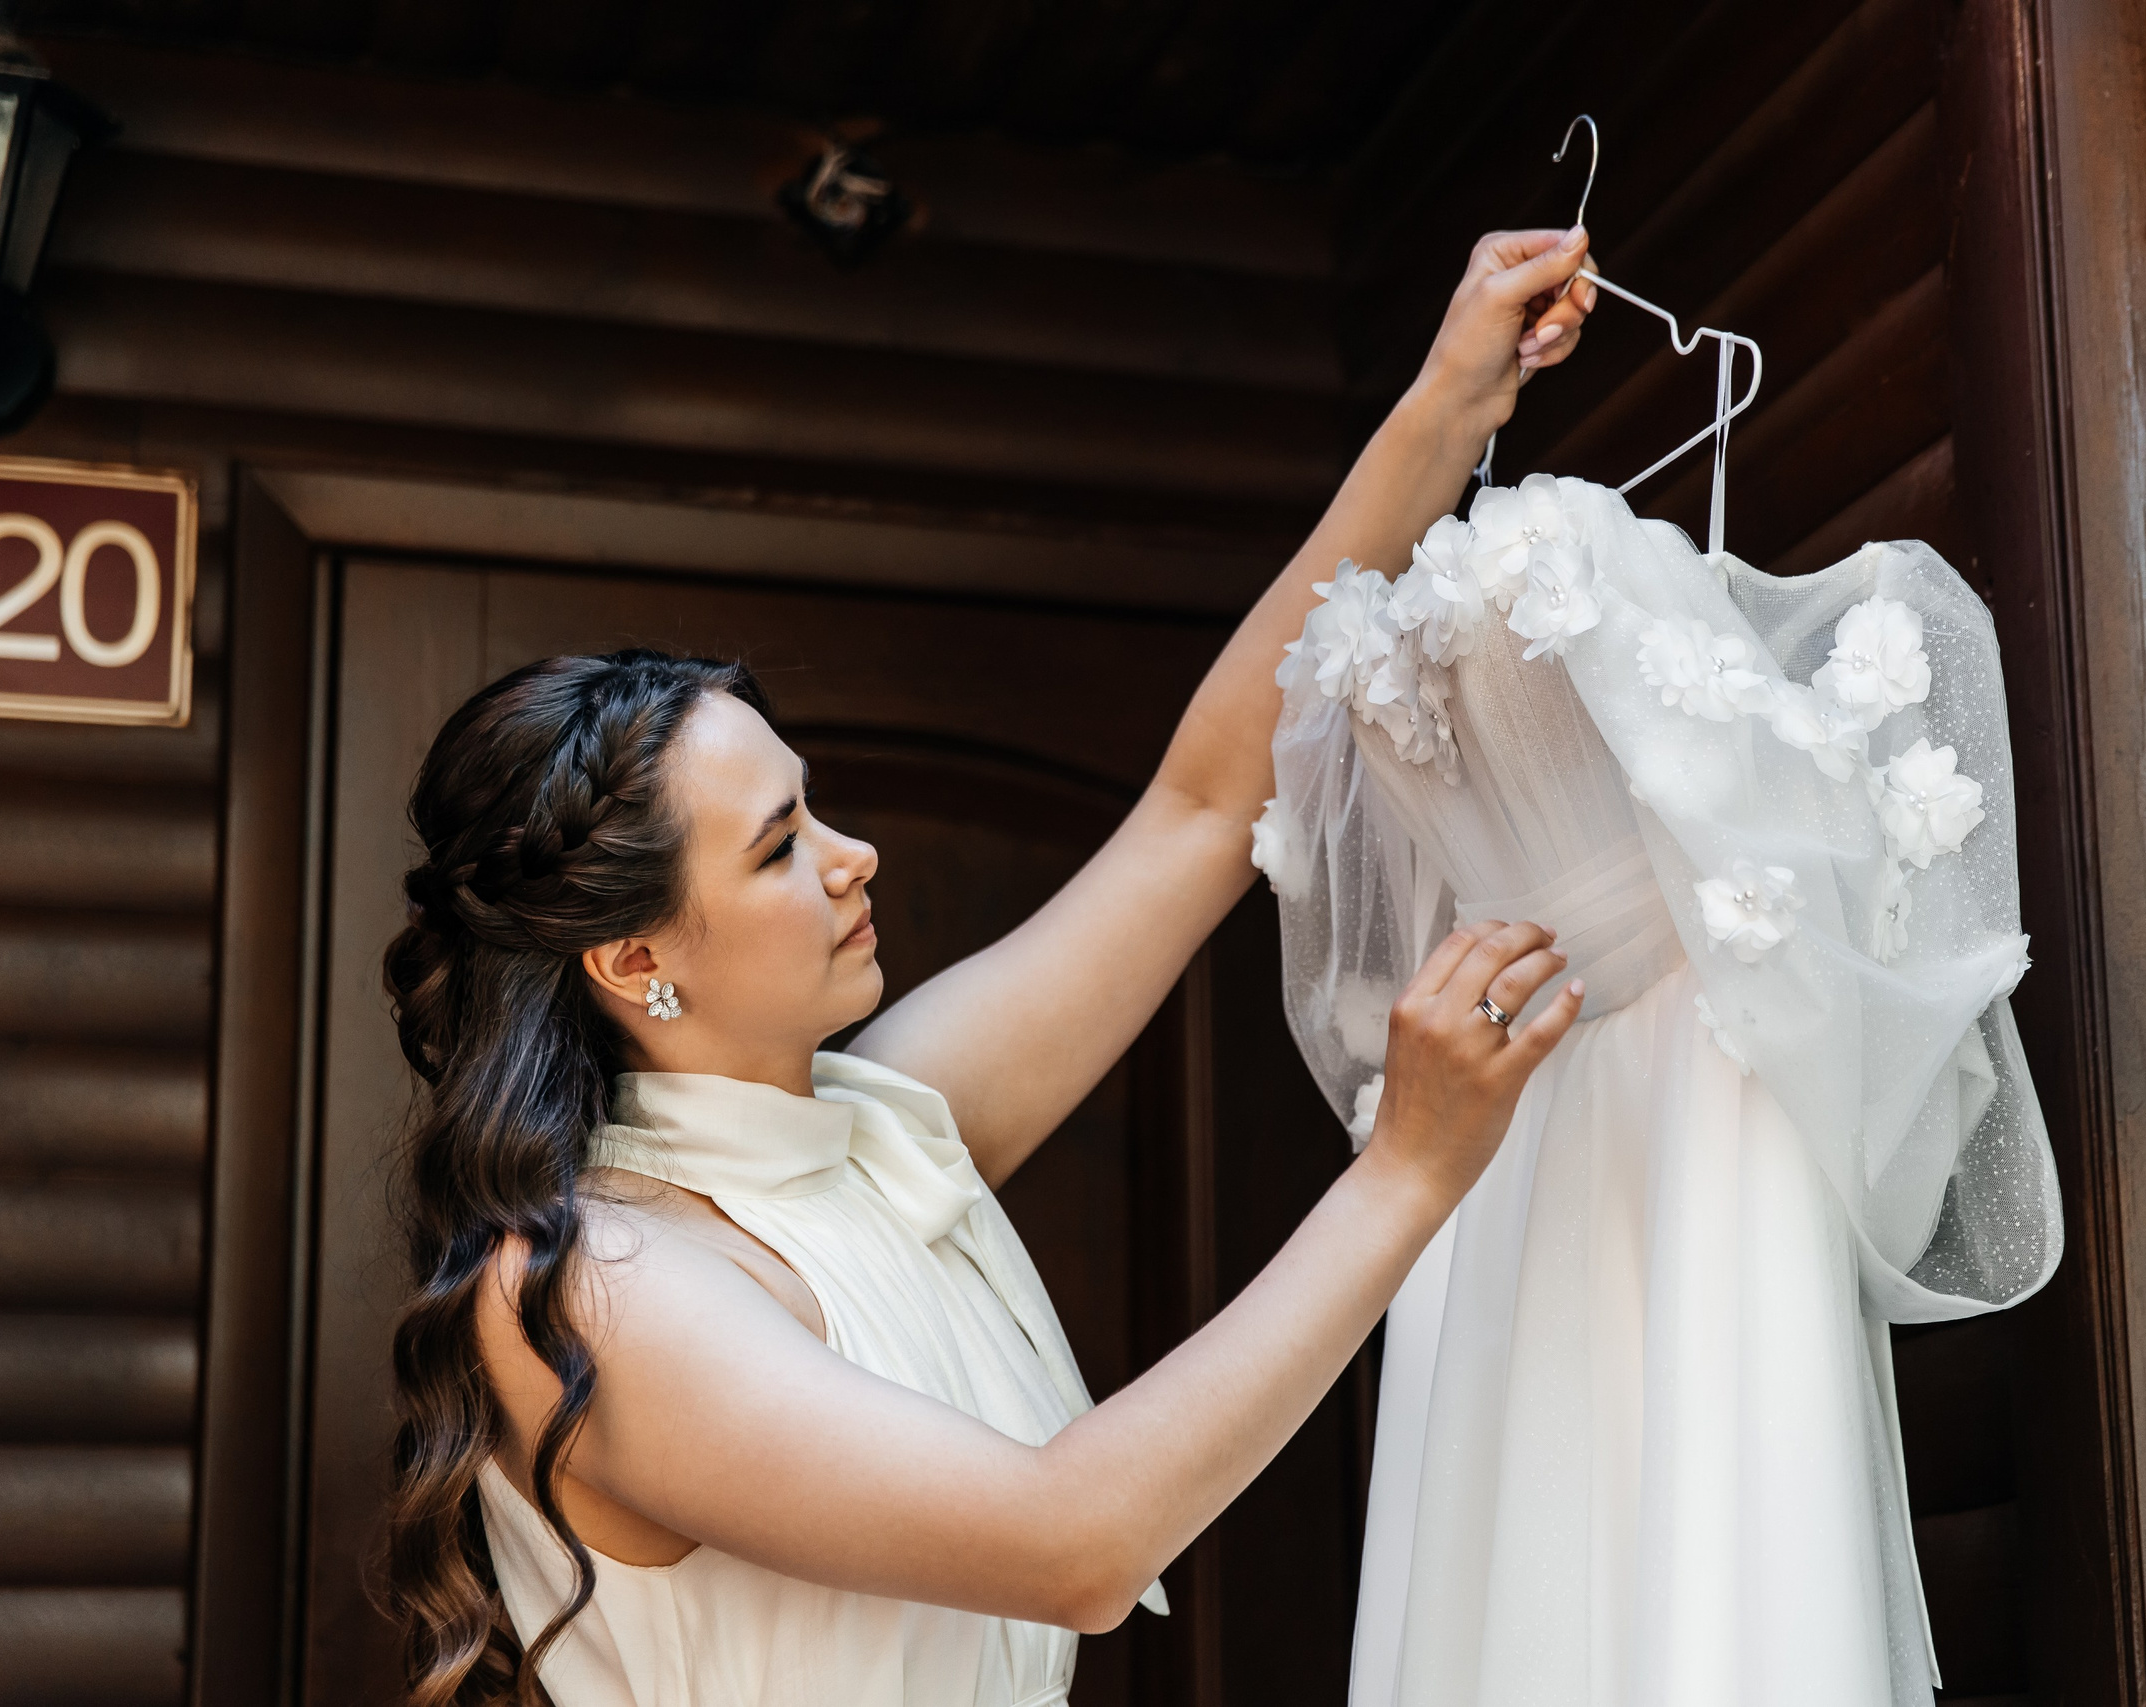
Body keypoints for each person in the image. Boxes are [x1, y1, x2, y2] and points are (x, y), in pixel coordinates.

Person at [380, 226, 1603, 1706]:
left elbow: (1205, 810)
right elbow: (1075, 1543)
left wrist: (1446, 405)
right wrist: (1409, 1168)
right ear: (635, 957)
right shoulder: (583, 1292)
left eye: (814, 805)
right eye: (778, 847)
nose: (855, 857)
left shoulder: (878, 1124)